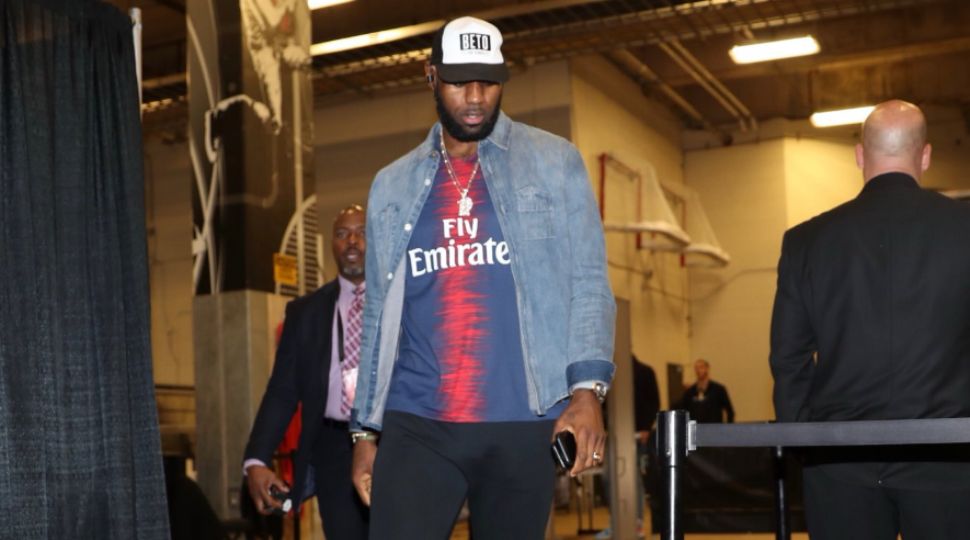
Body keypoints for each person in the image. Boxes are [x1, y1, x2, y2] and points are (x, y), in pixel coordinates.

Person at [349, 16, 616, 539]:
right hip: (418, 421)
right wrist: (365, 430)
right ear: (430, 77)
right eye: (458, 82)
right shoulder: (391, 184)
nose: (474, 97)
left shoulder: (555, 163)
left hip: (522, 420)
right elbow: (379, 314)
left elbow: (588, 280)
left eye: (488, 82)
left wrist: (586, 392)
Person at [769, 100, 970, 539]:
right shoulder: (964, 228)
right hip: (949, 459)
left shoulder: (806, 241)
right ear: (927, 155)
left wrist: (807, 439)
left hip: (840, 460)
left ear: (860, 155)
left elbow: (788, 357)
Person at [242, 205, 369, 539]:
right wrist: (256, 459)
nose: (352, 240)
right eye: (342, 234)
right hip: (333, 450)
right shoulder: (305, 313)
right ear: (331, 244)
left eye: (361, 232)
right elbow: (282, 391)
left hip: (394, 445)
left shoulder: (402, 301)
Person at [673, 359, 734, 423]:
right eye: (696, 368)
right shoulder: (690, 392)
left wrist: (727, 429)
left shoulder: (719, 390)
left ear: (707, 368)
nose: (698, 370)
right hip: (696, 429)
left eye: (701, 367)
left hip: (714, 429)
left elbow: (730, 411)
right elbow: (681, 410)